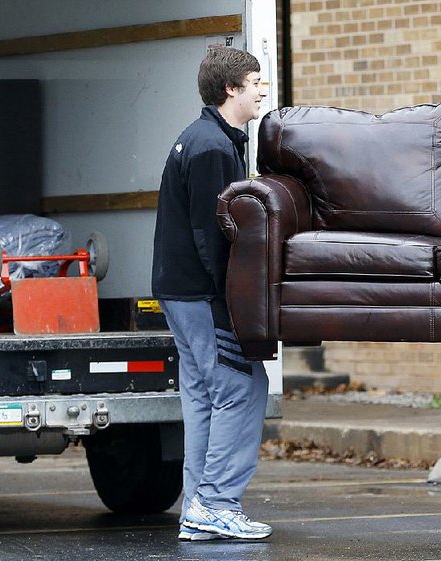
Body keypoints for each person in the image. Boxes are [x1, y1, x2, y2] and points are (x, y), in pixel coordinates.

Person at [151, 47, 270, 541]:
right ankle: (217, 502)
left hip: (181, 292)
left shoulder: (209, 139)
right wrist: (233, 301)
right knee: (242, 388)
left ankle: (199, 510)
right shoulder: (211, 149)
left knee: (204, 398)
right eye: (256, 80)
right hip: (202, 294)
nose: (263, 89)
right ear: (231, 89)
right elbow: (212, 233)